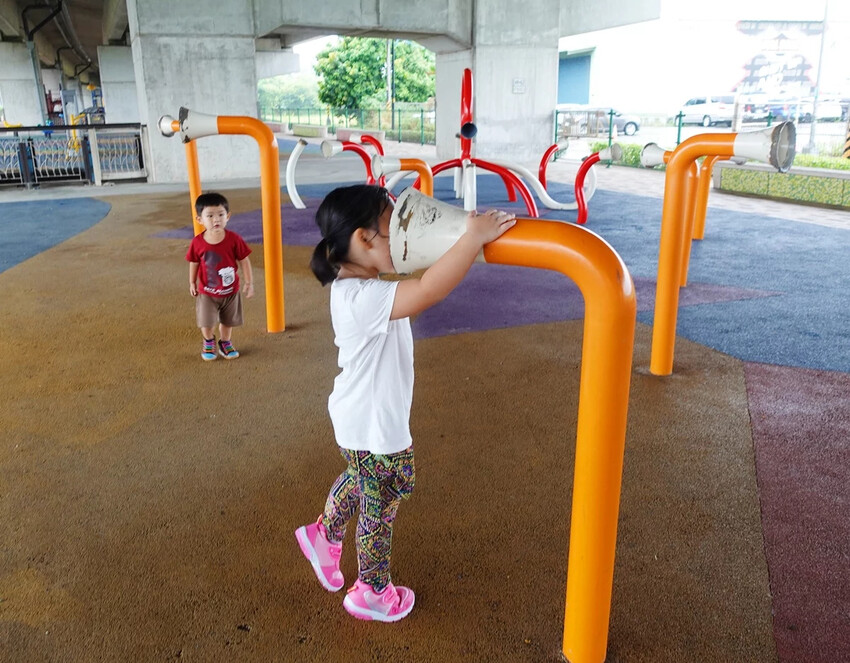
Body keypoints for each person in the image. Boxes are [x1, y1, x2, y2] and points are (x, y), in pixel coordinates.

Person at [294, 185, 516, 622]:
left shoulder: (361, 284)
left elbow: (425, 267)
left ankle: (324, 534)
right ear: (363, 240)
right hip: (374, 423)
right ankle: (371, 590)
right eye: (391, 224)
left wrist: (460, 231)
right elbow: (430, 289)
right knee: (383, 495)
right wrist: (471, 239)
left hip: (359, 418)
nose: (400, 232)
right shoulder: (364, 298)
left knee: (364, 478)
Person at [186, 192, 254, 360]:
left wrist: (249, 282)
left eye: (220, 215)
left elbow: (244, 260)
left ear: (228, 216)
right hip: (207, 292)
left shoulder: (234, 239)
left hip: (230, 292)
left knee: (228, 320)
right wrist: (192, 282)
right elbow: (194, 262)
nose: (216, 220)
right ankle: (208, 341)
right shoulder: (197, 242)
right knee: (206, 321)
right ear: (199, 219)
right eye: (210, 216)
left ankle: (225, 342)